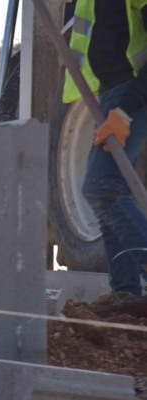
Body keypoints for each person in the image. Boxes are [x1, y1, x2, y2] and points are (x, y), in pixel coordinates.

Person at [66, 0, 147, 314]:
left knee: (100, 186)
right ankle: (126, 294)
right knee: (107, 189)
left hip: (130, 93)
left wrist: (125, 110)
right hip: (109, 92)